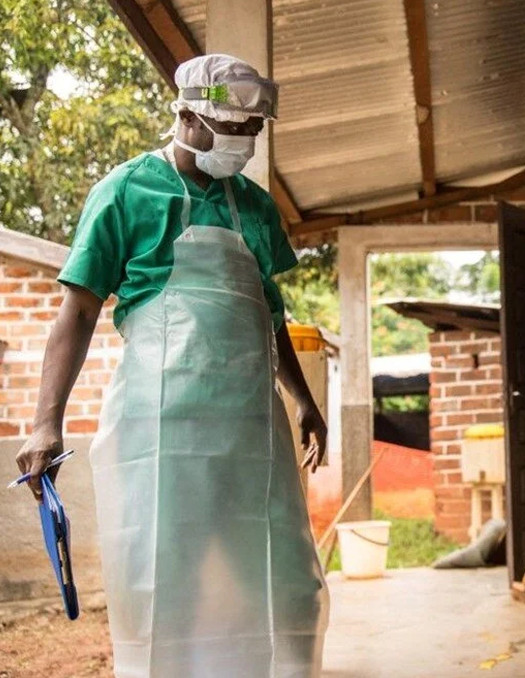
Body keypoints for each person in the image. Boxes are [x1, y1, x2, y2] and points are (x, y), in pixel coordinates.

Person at [14, 54, 330, 677]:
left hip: (250, 433)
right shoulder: (127, 192)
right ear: (185, 115)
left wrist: (304, 400)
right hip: (161, 433)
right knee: (168, 588)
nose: (244, 142)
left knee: (285, 584)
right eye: (232, 128)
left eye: (253, 130)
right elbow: (76, 312)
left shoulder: (256, 208)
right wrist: (45, 422)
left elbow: (270, 317)